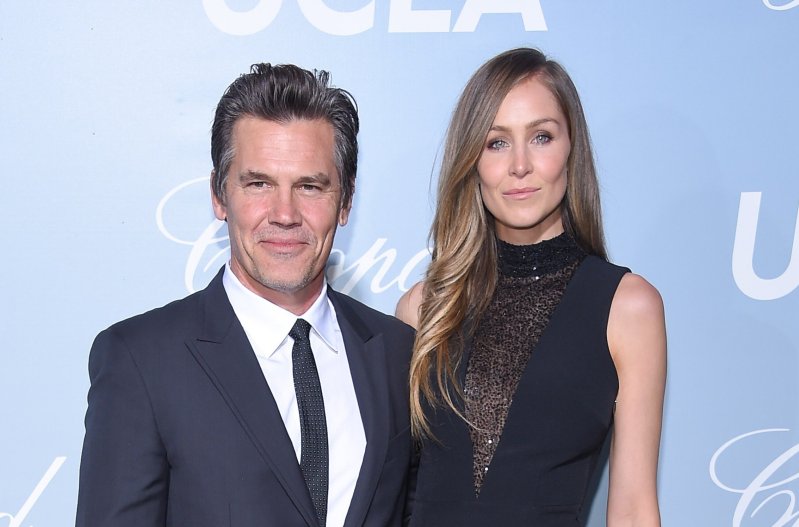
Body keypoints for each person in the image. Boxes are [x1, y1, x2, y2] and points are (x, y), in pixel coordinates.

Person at [77, 63, 415, 527]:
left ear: (346, 201)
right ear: (219, 195)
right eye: (258, 184)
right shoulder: (141, 361)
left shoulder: (398, 353)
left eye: (310, 186)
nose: (284, 214)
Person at [395, 48, 667, 526]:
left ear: (571, 149)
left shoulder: (626, 308)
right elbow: (396, 494)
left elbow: (632, 508)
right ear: (472, 160)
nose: (519, 165)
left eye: (541, 137)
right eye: (496, 142)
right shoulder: (423, 308)